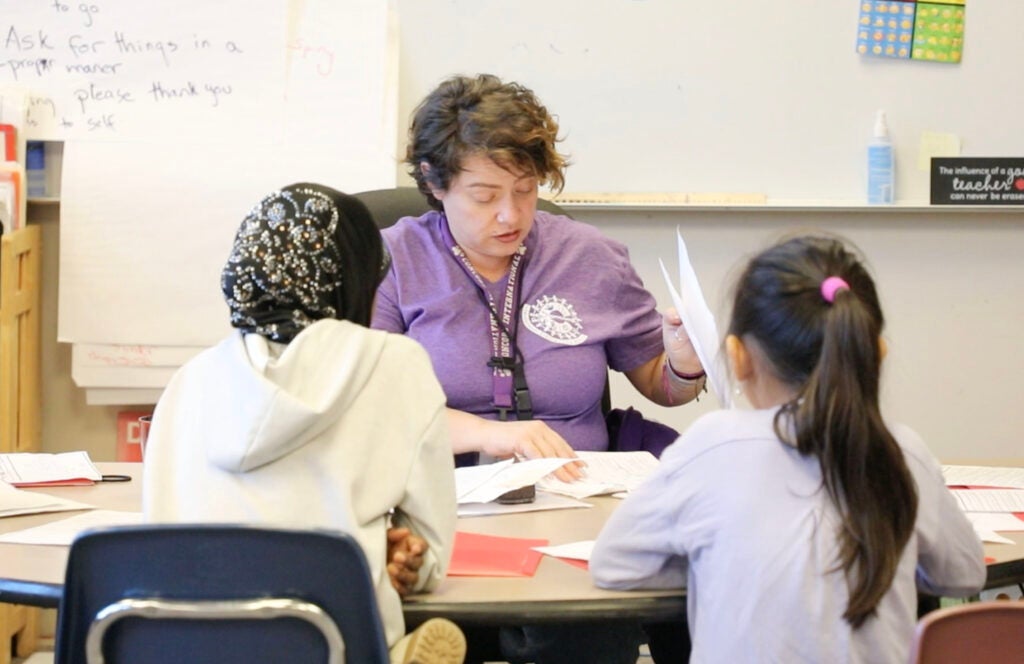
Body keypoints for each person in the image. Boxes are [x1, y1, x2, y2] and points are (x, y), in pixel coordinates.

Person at [371, 73, 704, 663]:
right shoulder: (392, 259)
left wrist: (682, 362)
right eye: (484, 195)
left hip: (581, 514)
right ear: (434, 182)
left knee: (593, 630)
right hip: (438, 516)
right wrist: (492, 435)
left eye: (525, 190)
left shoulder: (589, 255)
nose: (510, 213)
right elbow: (370, 409)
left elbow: (660, 381)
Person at [590, 234, 987, 663]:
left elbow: (613, 564)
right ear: (876, 352)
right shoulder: (902, 451)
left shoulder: (711, 443)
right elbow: (964, 573)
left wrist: (721, 561)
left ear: (737, 357)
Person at [143, 183, 466, 664]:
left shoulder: (189, 381)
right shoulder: (395, 363)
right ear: (356, 277)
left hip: (181, 643)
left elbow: (159, 530)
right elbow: (432, 560)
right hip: (333, 639)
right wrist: (405, 560)